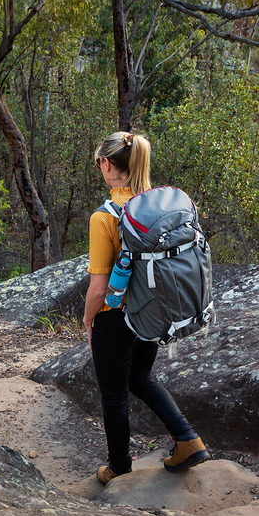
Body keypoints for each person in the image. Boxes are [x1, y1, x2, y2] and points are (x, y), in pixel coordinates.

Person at [83, 131, 209, 485]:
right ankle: (188, 439)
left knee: (114, 396)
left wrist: (88, 320)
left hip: (116, 320)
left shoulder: (105, 217)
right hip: (153, 312)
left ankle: (119, 467)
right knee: (139, 378)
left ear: (107, 164)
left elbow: (98, 288)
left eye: (99, 163)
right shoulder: (163, 206)